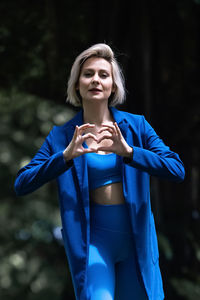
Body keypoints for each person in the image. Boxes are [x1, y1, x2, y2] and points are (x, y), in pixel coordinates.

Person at [14, 43, 185, 300]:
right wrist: (65, 156)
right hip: (94, 242)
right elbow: (22, 183)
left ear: (113, 86)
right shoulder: (61, 137)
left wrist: (129, 152)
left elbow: (176, 169)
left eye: (103, 75)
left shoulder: (136, 126)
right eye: (88, 74)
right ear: (77, 85)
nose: (95, 80)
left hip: (135, 240)